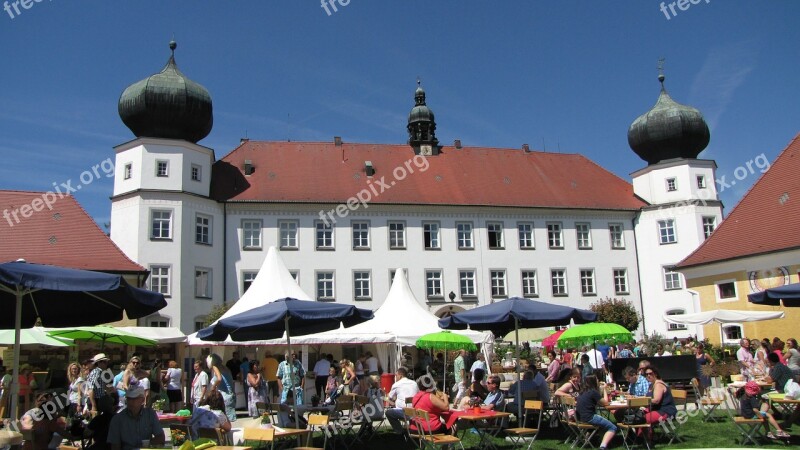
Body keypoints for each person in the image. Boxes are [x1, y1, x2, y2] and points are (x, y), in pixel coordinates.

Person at [576, 375, 616, 450]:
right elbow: (606, 403)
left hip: (580, 418)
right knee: (612, 427)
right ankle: (603, 446)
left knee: (603, 423)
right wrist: (604, 389)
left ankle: (592, 439)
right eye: (597, 379)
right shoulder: (593, 392)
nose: (598, 381)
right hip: (589, 417)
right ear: (593, 381)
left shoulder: (582, 392)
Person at [385, 367, 420, 436]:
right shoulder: (414, 383)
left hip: (404, 412)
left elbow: (389, 397)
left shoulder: (396, 384)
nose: (395, 377)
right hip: (415, 411)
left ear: (400, 375)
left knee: (388, 413)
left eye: (396, 375)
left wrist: (386, 395)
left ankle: (399, 431)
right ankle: (412, 429)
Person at [644, 366, 677, 431]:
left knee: (641, 419)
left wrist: (643, 400)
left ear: (655, 374)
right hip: (656, 410)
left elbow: (656, 400)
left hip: (666, 411)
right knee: (636, 415)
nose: (648, 376)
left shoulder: (658, 384)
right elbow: (647, 397)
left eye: (650, 373)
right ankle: (642, 437)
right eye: (646, 374)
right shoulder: (652, 385)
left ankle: (646, 438)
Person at [206, 353, 236, 422]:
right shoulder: (225, 367)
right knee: (230, 420)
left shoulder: (215, 367)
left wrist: (213, 387)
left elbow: (219, 378)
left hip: (223, 396)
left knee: (222, 419)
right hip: (230, 394)